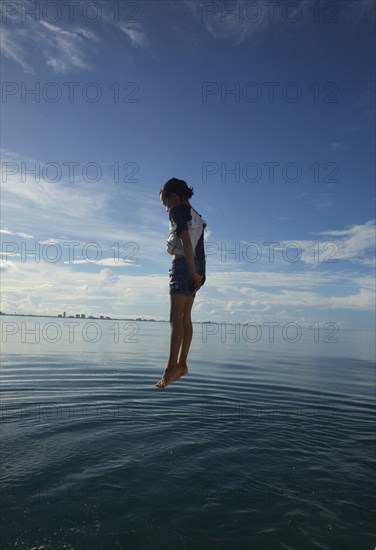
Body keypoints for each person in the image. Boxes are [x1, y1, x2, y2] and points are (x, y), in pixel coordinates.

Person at [155, 178, 207, 389]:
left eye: (165, 203)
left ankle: (169, 368)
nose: (166, 208)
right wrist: (200, 275)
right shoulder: (197, 216)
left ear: (174, 197)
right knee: (186, 316)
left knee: (175, 317)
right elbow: (199, 250)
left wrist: (193, 274)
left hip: (183, 266)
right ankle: (182, 364)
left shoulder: (176, 211)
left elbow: (185, 242)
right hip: (196, 267)